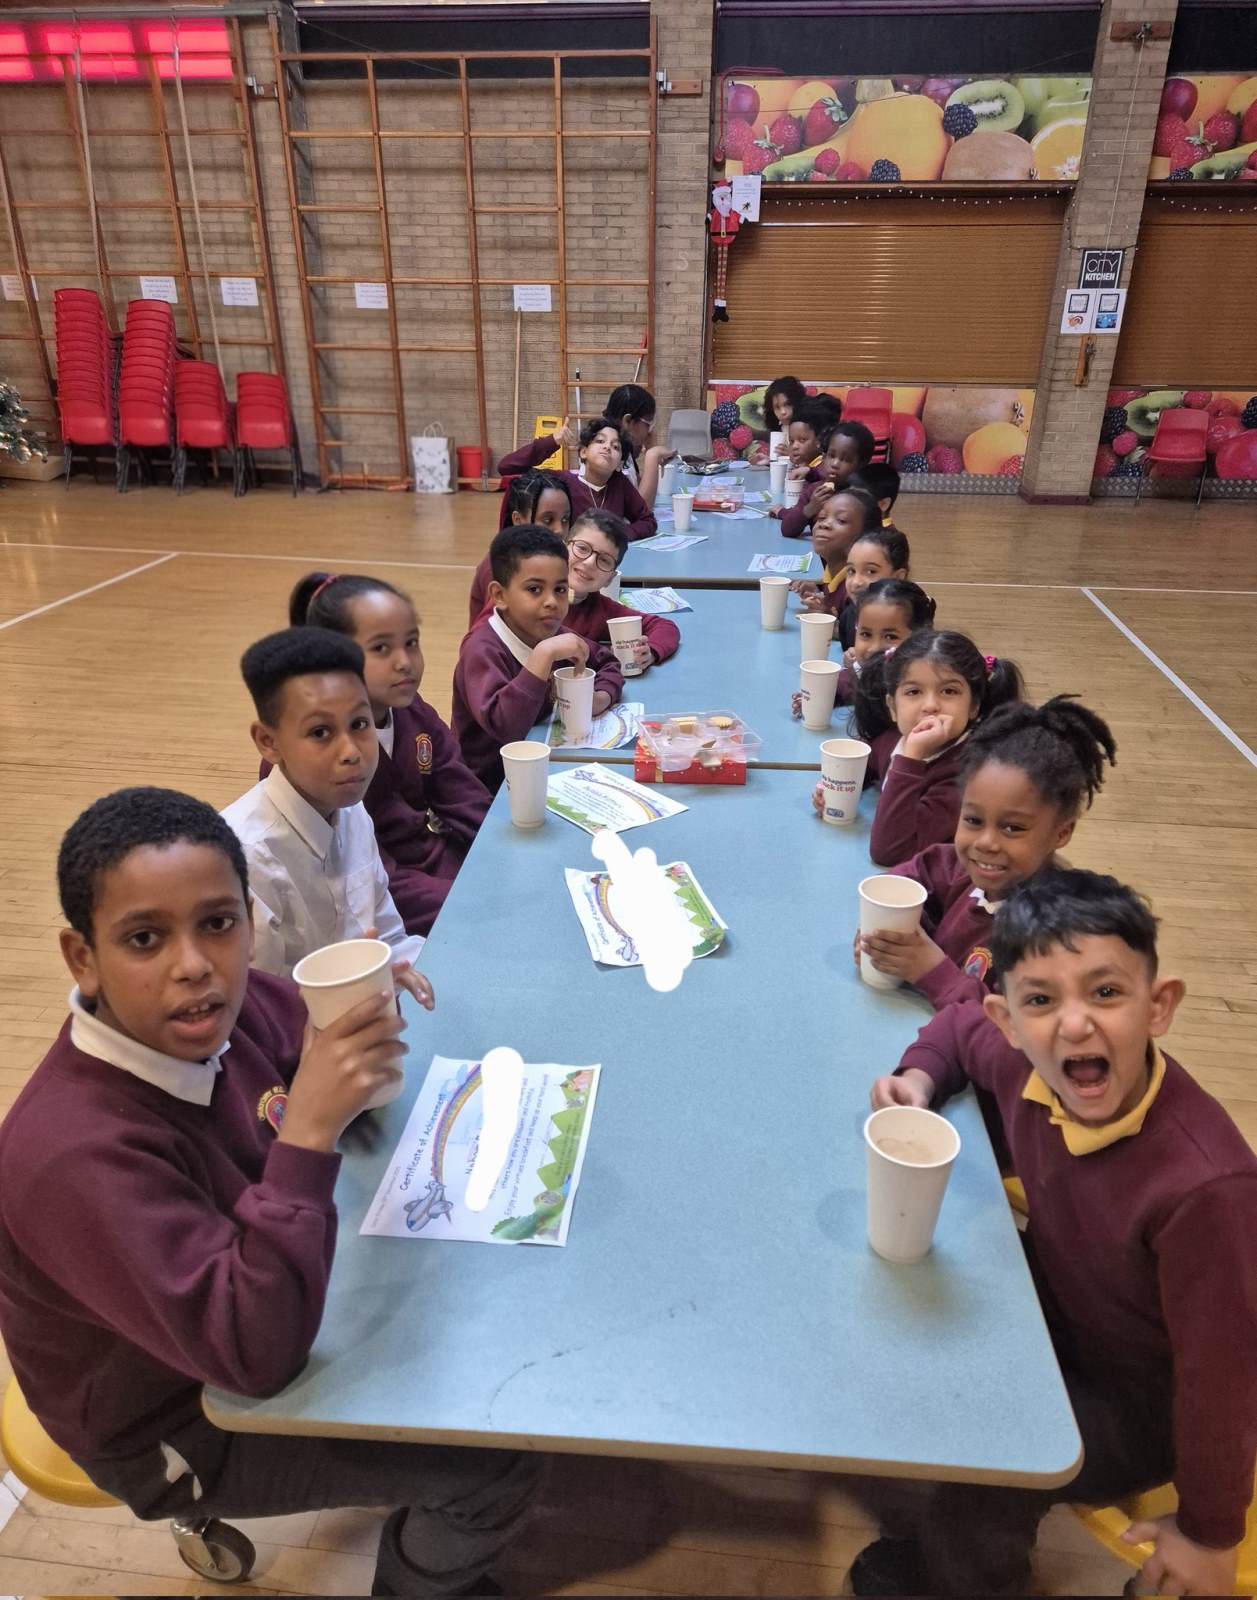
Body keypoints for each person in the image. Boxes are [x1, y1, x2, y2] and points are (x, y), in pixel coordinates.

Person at [0, 787, 541, 1598]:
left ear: (248, 921)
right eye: (144, 938)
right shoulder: (70, 1159)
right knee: (493, 1465)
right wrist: (309, 1129)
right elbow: (251, 1360)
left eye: (218, 923)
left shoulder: (225, 1006)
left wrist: (356, 1020)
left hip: (256, 1308)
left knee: (476, 1332)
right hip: (174, 1423)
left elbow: (304, 1040)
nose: (193, 964)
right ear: (83, 958)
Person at [857, 870, 1257, 1599]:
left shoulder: (1206, 1190)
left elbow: (1223, 1380)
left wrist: (1209, 1531)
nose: (1073, 1025)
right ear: (1008, 1019)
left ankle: (966, 1585)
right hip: (1063, 1311)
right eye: (1040, 1000)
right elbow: (958, 1027)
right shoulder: (1023, 1062)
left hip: (1148, 1400)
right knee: (911, 1322)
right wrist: (918, 1078)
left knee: (991, 1471)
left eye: (1104, 992)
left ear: (1158, 1006)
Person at [859, 697, 1116, 1007]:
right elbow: (906, 877)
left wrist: (931, 970)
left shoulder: (1055, 935)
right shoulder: (960, 869)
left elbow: (1013, 1027)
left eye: (1013, 828)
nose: (986, 842)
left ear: (1061, 833)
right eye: (973, 820)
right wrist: (895, 937)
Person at [222, 629, 432, 990]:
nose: (351, 751)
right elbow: (260, 1007)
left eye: (360, 724)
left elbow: (391, 940)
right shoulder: (248, 858)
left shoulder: (352, 811)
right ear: (268, 742)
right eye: (320, 732)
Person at [289, 573, 491, 939]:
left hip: (445, 873)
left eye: (411, 643)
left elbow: (465, 798)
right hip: (383, 912)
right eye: (381, 648)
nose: (405, 662)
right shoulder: (309, 756)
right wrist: (476, 898)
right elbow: (367, 884)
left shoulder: (414, 712)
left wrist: (503, 854)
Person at [452, 524, 622, 790]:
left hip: (546, 770)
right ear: (499, 595)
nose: (551, 602)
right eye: (534, 589)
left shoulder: (551, 632)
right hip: (487, 790)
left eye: (560, 589)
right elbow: (507, 727)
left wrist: (600, 697)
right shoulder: (482, 650)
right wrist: (542, 656)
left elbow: (607, 662)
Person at [851, 629, 1024, 866]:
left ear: (974, 706)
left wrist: (912, 759)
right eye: (913, 692)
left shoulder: (968, 776)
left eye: (948, 691)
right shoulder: (892, 739)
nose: (931, 705)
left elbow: (889, 852)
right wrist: (833, 791)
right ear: (892, 706)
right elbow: (864, 765)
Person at [495, 417, 655, 541]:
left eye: (615, 447)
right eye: (600, 441)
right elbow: (507, 467)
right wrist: (551, 442)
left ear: (619, 463)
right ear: (583, 452)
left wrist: (620, 534)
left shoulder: (620, 484)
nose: (607, 447)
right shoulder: (561, 482)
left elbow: (647, 520)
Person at [560, 509, 680, 667]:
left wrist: (649, 652)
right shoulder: (533, 595)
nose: (589, 563)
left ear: (610, 578)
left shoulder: (601, 609)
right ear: (563, 548)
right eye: (582, 548)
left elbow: (664, 627)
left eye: (604, 560)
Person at [469, 469, 571, 627]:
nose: (559, 529)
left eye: (565, 519)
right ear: (518, 520)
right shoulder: (500, 566)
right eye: (547, 520)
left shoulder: (555, 557)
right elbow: (484, 632)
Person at [790, 486, 883, 623]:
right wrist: (820, 593)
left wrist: (831, 622)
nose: (824, 524)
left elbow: (860, 632)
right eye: (821, 517)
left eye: (841, 520)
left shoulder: (858, 590)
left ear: (865, 536)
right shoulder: (833, 572)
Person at [778, 419, 876, 539]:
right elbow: (786, 529)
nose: (835, 464)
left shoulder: (863, 499)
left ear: (861, 464)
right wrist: (810, 509)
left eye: (845, 460)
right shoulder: (814, 491)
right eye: (831, 455)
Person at [836, 527, 911, 652]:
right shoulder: (849, 616)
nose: (856, 582)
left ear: (898, 577)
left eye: (871, 571)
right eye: (851, 571)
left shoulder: (912, 622)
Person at [604, 383, 674, 503]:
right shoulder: (608, 454)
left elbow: (637, 490)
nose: (650, 431)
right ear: (628, 421)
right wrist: (652, 456)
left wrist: (644, 450)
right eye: (648, 424)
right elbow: (642, 508)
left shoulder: (624, 447)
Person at [849, 462, 901, 529]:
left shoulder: (883, 535)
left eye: (860, 498)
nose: (850, 504)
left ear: (883, 504)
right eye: (849, 495)